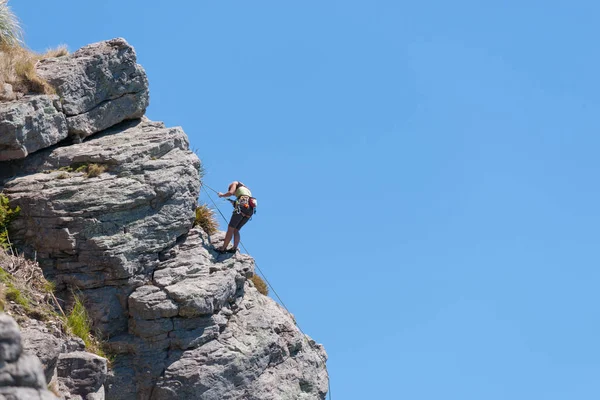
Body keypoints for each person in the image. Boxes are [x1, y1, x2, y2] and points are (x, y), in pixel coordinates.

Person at [216, 181, 255, 253]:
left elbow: (230, 193)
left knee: (230, 228)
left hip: (243, 206)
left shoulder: (235, 183)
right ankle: (234, 248)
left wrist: (222, 195)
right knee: (236, 230)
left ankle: (223, 248)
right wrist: (234, 202)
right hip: (250, 210)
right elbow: (245, 200)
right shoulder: (246, 190)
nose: (234, 195)